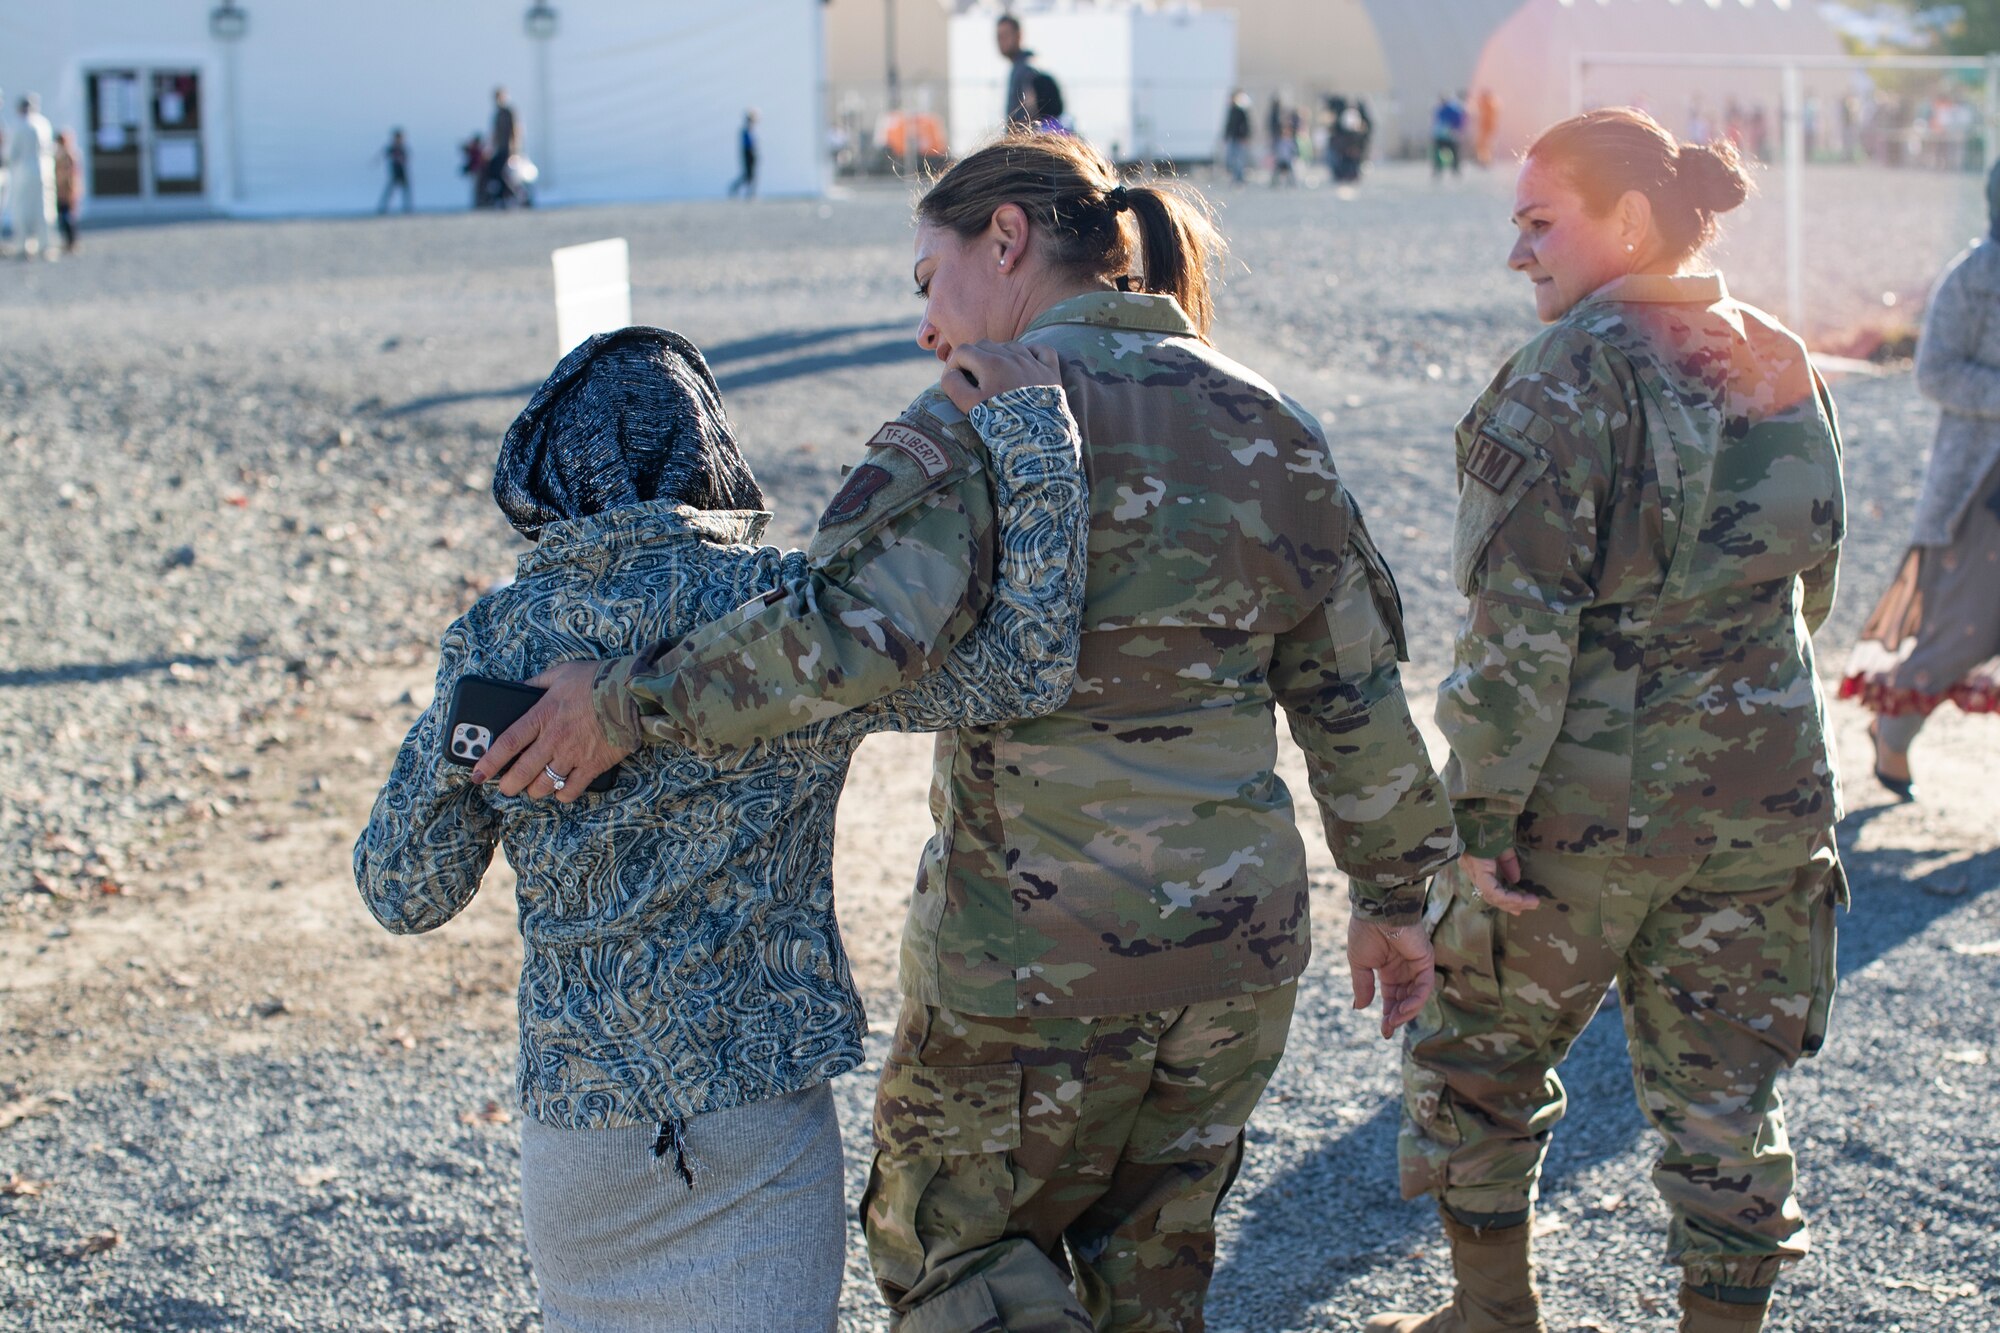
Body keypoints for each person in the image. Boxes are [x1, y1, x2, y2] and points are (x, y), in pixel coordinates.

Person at [474, 129, 1458, 1331]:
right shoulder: (1271, 423)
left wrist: (621, 699)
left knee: (955, 1263)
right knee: (1153, 1280)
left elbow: (833, 635)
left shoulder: (977, 416)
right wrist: (1398, 898)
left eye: (927, 281)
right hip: (1231, 959)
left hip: (1028, 965)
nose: (927, 326)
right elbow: (1352, 695)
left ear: (1005, 239)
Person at [355, 326, 1088, 1333]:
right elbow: (1023, 668)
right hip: (759, 1117)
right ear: (708, 449)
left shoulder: (502, 638)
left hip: (581, 1135)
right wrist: (1032, 437)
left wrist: (458, 743)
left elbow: (404, 891)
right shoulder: (785, 612)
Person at [1370, 107, 1846, 1333]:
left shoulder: (1563, 374)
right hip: (1763, 794)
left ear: (1627, 221)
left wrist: (1470, 822)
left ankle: (1490, 1315)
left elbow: (1514, 636)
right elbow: (1812, 588)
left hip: (1585, 807)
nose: (1516, 253)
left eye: (1538, 223)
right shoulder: (1777, 352)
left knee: (1473, 1055)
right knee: (1726, 1092)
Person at [1841, 159, 2000, 795]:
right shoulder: (1976, 275)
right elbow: (1934, 372)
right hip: (1980, 496)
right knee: (1959, 635)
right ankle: (1893, 735)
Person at [8, 94, 55, 259]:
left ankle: (23, 244)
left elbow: (12, 153)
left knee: (21, 208)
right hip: (44, 169)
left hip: (23, 170)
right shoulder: (43, 123)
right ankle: (45, 243)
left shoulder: (19, 125)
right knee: (44, 207)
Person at [996, 14, 1041, 129]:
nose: (1002, 41)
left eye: (1006, 35)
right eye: (999, 37)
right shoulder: (1019, 67)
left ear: (1019, 35)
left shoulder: (1025, 70)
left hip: (1023, 142)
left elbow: (1030, 114)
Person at [484, 87, 520, 207]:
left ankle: (515, 194)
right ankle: (501, 197)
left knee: (503, 173)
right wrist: (489, 148)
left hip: (508, 149)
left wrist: (515, 151)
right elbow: (494, 133)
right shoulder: (497, 113)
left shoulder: (509, 112)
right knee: (493, 170)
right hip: (499, 148)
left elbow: (515, 131)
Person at [53, 128, 79, 255]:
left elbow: (71, 174)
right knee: (64, 217)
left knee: (68, 217)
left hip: (67, 190)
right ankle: (68, 242)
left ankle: (71, 242)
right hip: (61, 191)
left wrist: (71, 190)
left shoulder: (69, 155)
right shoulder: (61, 154)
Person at [1432, 92, 1466, 179]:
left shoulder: (1452, 109)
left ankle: (1454, 170)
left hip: (1450, 136)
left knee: (1453, 153)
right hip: (1442, 136)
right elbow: (1436, 122)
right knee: (1440, 154)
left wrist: (1455, 130)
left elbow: (1459, 121)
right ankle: (1440, 170)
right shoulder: (1440, 109)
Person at [1223, 89, 1253, 184]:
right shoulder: (1231, 110)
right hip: (1233, 137)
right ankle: (1235, 176)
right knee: (1232, 158)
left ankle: (1239, 177)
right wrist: (1226, 135)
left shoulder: (1241, 111)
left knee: (1239, 159)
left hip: (1239, 138)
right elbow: (1229, 124)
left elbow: (1246, 125)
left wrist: (1244, 136)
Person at [378, 128, 412, 214]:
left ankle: (407, 209)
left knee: (406, 192)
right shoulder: (392, 148)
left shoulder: (402, 148)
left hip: (403, 172)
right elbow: (385, 155)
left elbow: (406, 159)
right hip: (395, 172)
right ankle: (383, 209)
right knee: (390, 192)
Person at [727, 108, 758, 198]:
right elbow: (746, 144)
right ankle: (736, 189)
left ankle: (750, 193)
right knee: (747, 175)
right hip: (747, 153)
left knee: (752, 175)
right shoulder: (745, 130)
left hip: (752, 153)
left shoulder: (751, 130)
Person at [1472, 87, 1501, 168]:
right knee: (1483, 144)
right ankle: (1483, 160)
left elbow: (1484, 114)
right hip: (1486, 127)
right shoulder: (1492, 103)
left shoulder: (1490, 104)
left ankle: (1485, 160)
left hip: (1487, 127)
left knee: (1485, 144)